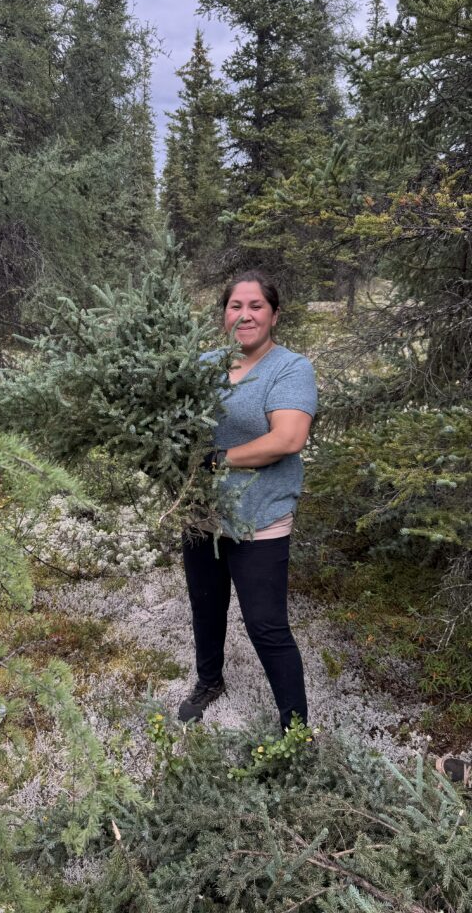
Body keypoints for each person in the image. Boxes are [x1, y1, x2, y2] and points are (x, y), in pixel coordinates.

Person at [179, 271, 317, 729]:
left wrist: (218, 460)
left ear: (274, 315)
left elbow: (288, 438)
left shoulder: (289, 368)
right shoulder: (205, 364)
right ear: (224, 315)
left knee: (266, 625)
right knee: (205, 602)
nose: (245, 315)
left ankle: (295, 729)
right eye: (236, 306)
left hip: (261, 516)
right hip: (202, 514)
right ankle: (210, 680)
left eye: (256, 306)